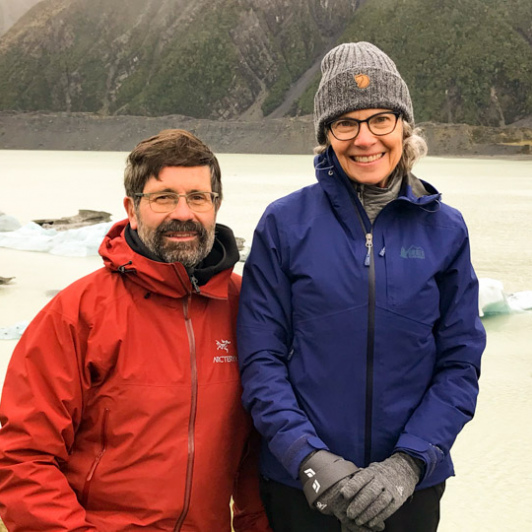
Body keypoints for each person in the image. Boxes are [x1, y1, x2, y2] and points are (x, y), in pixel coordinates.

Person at [237, 42, 486, 532]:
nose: (364, 138)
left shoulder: (446, 230)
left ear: (404, 126)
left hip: (409, 491)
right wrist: (308, 458)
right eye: (345, 123)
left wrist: (409, 463)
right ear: (327, 135)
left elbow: (459, 364)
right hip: (300, 489)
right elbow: (260, 360)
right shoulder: (285, 224)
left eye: (380, 120)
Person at [0, 129, 271, 532]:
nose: (184, 213)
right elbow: (24, 456)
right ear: (132, 207)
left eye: (198, 197)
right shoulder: (78, 314)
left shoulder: (243, 306)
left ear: (216, 205)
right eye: (164, 197)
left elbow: (256, 453)